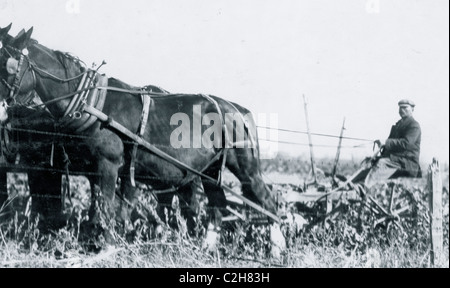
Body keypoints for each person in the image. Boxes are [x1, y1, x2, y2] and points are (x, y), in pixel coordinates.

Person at [362, 99, 422, 188]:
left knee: (382, 163)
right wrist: (382, 146)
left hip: (407, 163)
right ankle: (353, 185)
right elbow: (390, 146)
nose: (402, 110)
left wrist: (386, 142)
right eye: (400, 108)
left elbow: (406, 144)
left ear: (412, 109)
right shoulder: (398, 125)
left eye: (405, 107)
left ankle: (364, 188)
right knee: (370, 162)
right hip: (396, 160)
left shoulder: (414, 126)